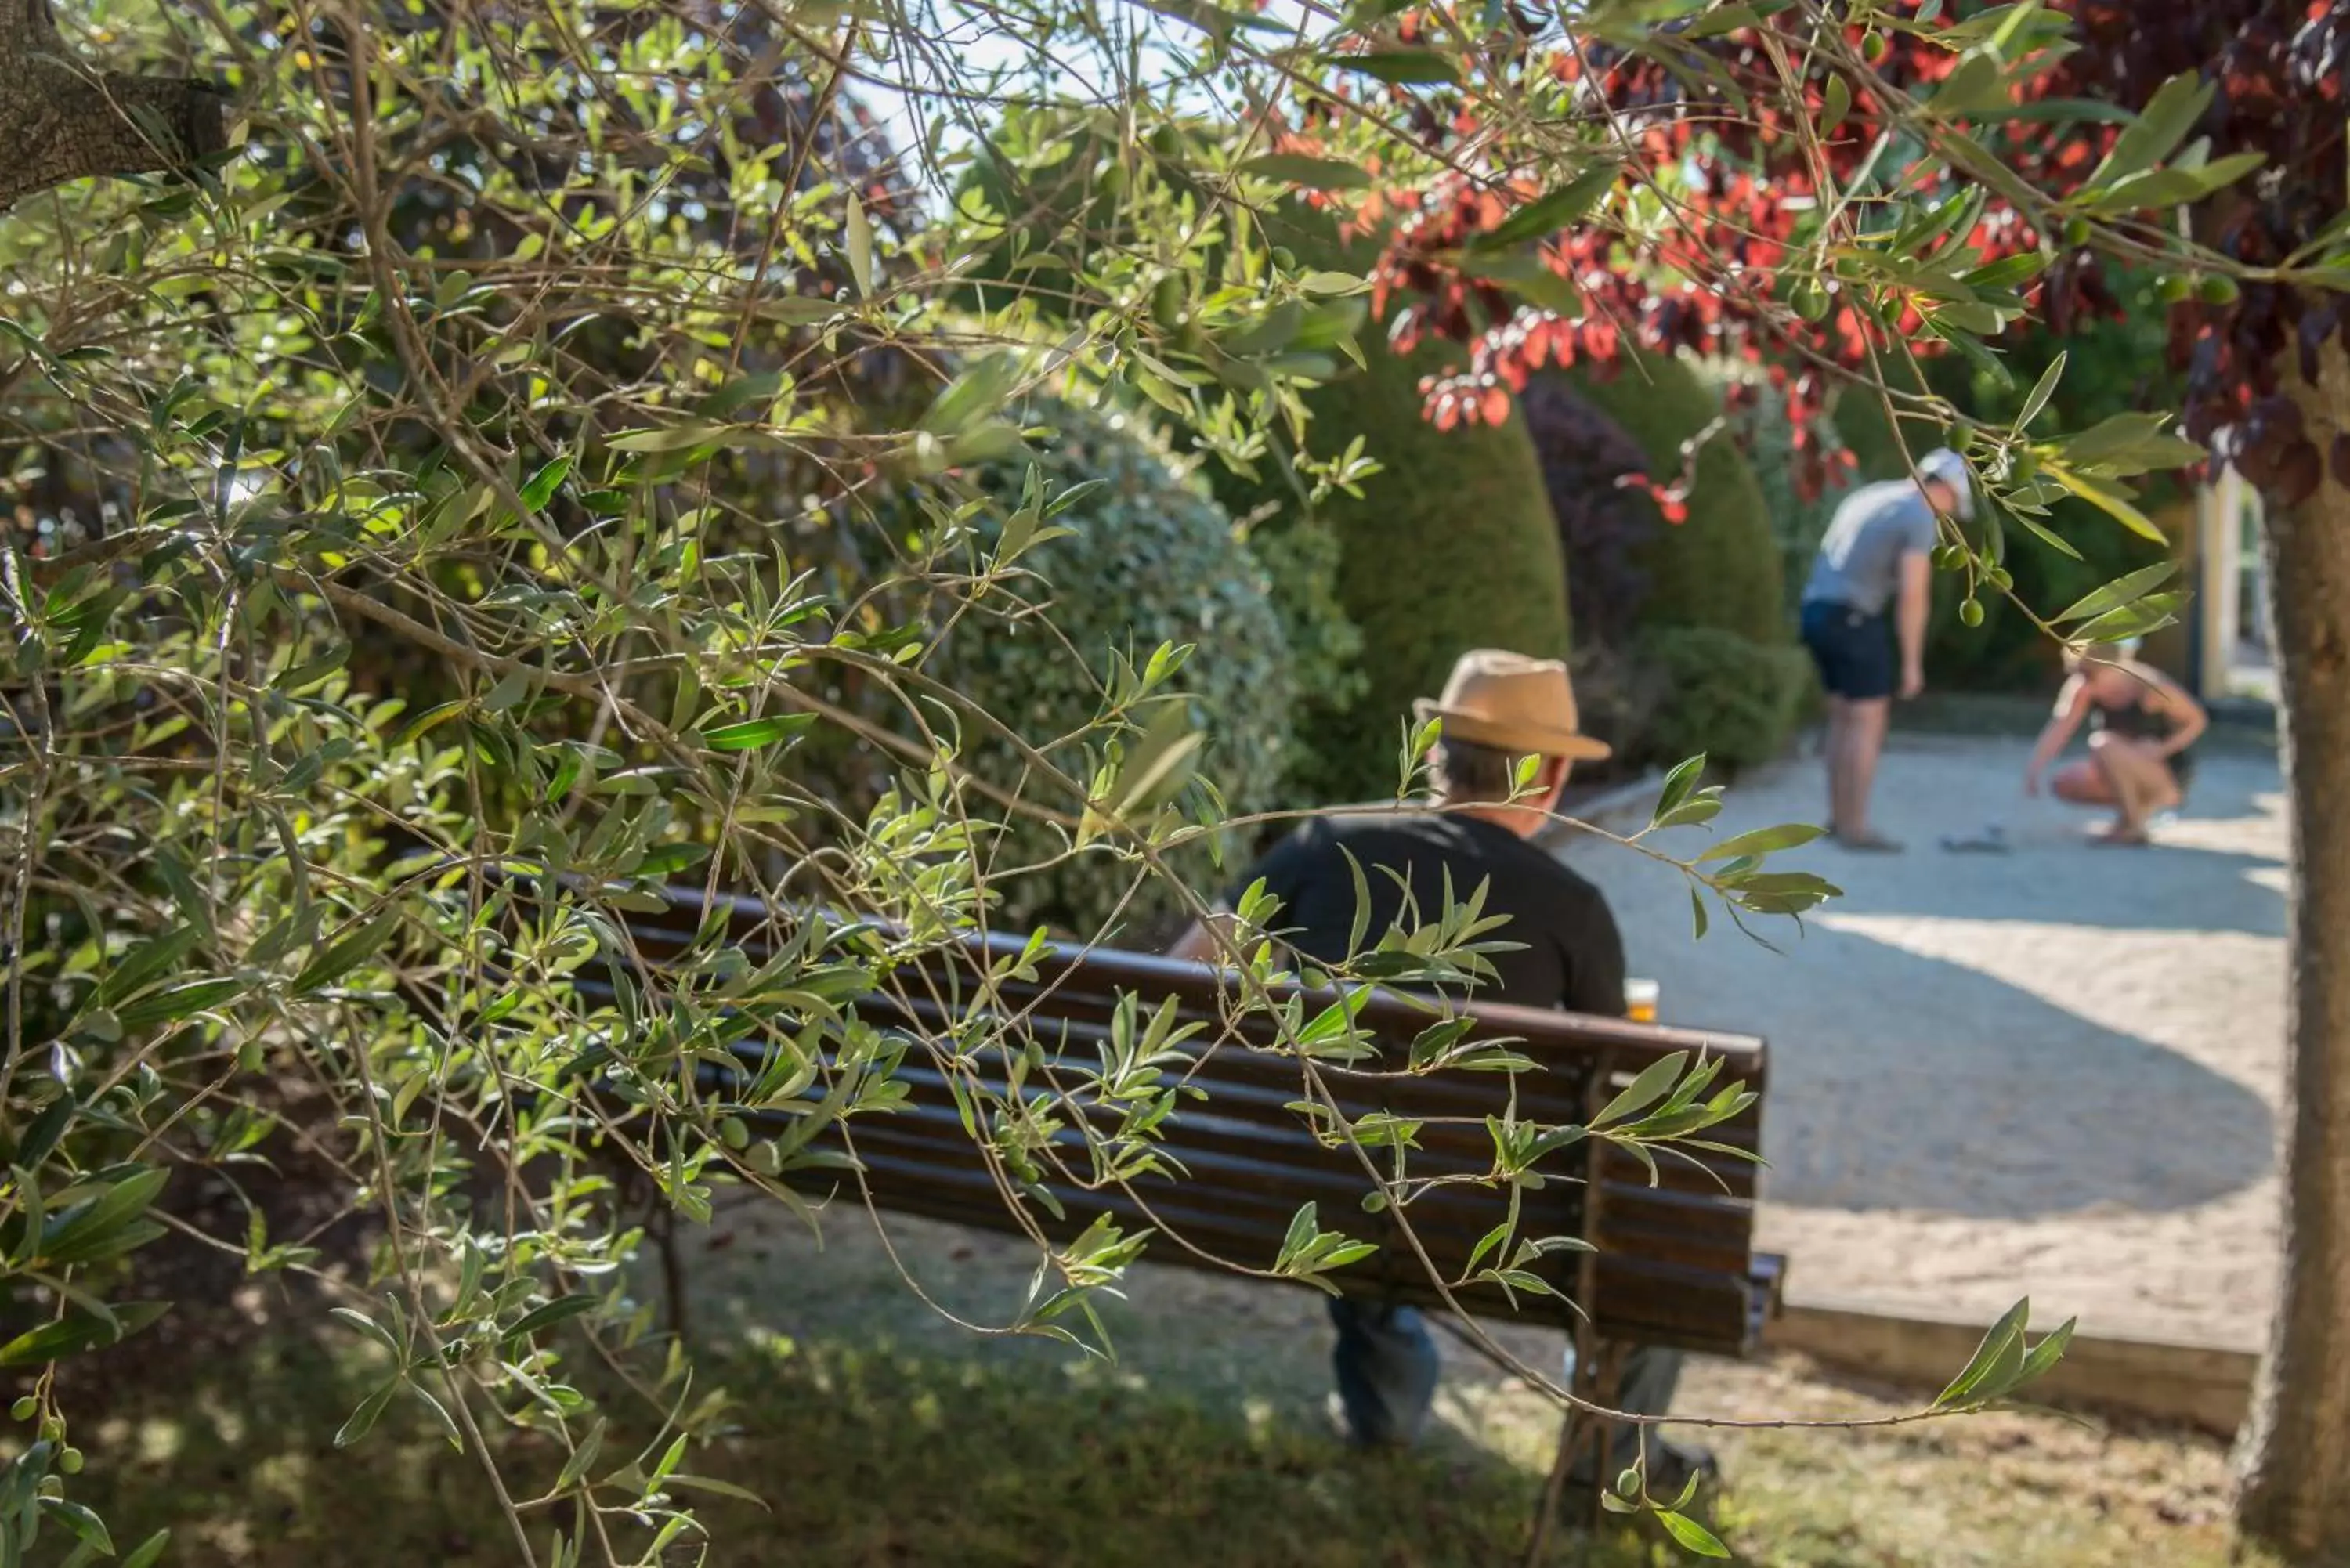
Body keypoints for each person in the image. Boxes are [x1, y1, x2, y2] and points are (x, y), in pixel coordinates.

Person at [1171, 649, 1707, 1490]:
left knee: (1364, 1156)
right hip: (1477, 1222)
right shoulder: (1572, 906)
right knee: (1662, 1235)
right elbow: (1616, 1099)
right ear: (1554, 775)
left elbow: (1183, 974)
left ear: (1434, 756)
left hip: (1298, 1185)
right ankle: (1611, 1462)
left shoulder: (1316, 848)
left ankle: (1383, 1413)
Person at [1799, 447, 1972, 852]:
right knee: (1867, 721)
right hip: (1856, 619)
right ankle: (1856, 828)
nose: (1948, 514)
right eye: (1953, 503)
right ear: (1943, 489)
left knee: (1842, 719)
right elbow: (1914, 593)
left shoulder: (1870, 495)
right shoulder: (1917, 513)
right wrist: (1912, 664)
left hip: (1817, 611)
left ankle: (1839, 819)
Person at [2024, 641, 2209, 844]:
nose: (2083, 680)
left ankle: (2133, 826)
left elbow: (2197, 720)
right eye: (2079, 673)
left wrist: (2163, 748)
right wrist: (2035, 769)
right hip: (2123, 763)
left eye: (2089, 674)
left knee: (2104, 744)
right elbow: (2060, 728)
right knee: (2065, 782)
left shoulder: (2148, 686)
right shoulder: (2083, 689)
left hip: (2164, 774)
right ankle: (2132, 818)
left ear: (2113, 667)